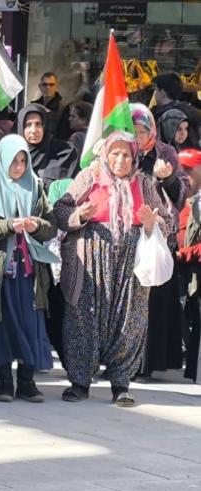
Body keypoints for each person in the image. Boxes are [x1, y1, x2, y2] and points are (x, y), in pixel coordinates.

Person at [54, 132, 171, 406]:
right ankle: (79, 382)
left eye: (127, 155)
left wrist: (152, 225)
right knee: (83, 317)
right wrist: (80, 215)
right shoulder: (89, 176)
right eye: (115, 153)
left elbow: (167, 220)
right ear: (105, 155)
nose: (120, 160)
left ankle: (121, 384)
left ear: (134, 158)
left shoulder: (143, 184)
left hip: (131, 264)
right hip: (89, 262)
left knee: (129, 320)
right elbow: (60, 211)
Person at [0, 135, 58, 403]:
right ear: (1, 161)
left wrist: (36, 226)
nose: (19, 167)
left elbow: (51, 226)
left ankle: (27, 381)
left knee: (30, 325)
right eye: (13, 161)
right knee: (1, 325)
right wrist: (9, 225)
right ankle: (4, 381)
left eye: (23, 161)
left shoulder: (35, 187)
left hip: (30, 275)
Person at [131, 103, 189, 378]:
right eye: (132, 130)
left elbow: (181, 194)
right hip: (128, 233)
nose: (137, 136)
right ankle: (121, 360)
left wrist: (167, 179)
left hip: (157, 234)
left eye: (142, 131)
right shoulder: (121, 151)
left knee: (153, 301)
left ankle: (146, 364)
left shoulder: (165, 153)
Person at [176, 148, 201, 382]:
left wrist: (183, 254)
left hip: (193, 269)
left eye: (189, 170)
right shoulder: (174, 195)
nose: (184, 175)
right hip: (175, 266)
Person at [18, 103, 79, 191]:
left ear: (45, 125)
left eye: (38, 124)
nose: (34, 130)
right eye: (28, 125)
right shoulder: (13, 156)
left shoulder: (65, 152)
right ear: (21, 128)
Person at [152, 72, 201, 143]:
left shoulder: (162, 116)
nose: (155, 93)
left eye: (156, 90)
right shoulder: (191, 110)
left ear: (162, 93)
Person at [31, 72, 65, 138]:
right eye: (44, 84)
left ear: (56, 87)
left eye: (51, 85)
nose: (48, 87)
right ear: (40, 86)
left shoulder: (62, 107)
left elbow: (63, 132)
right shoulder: (34, 105)